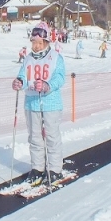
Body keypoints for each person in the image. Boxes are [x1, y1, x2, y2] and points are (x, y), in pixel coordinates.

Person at [12, 21, 66, 184]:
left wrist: (48, 85)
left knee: (51, 137)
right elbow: (23, 75)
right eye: (34, 42)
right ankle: (37, 168)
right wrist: (19, 82)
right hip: (32, 103)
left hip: (50, 103)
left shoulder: (55, 58)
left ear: (46, 41)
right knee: (34, 137)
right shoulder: (28, 59)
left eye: (39, 43)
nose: (36, 46)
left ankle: (55, 170)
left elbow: (60, 78)